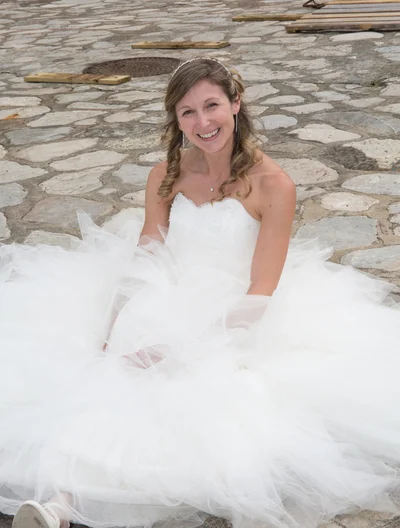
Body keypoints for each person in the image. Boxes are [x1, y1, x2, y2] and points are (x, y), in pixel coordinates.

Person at [1, 58, 400, 528]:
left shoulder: (274, 186)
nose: (202, 122)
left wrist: (184, 346)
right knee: (112, 362)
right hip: (166, 291)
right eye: (187, 112)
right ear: (175, 119)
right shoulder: (166, 174)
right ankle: (62, 500)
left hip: (235, 316)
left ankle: (63, 502)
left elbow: (260, 294)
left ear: (235, 103)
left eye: (211, 105)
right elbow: (149, 249)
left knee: (173, 389)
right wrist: (115, 320)